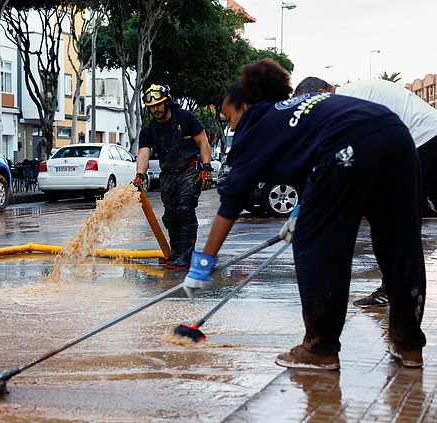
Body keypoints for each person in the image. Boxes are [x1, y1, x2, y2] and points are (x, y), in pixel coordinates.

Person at [183, 59, 426, 370]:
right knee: (399, 244)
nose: (230, 126)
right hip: (395, 135)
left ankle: (320, 349)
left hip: (348, 145)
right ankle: (408, 346)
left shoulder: (256, 124)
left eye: (228, 117)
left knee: (319, 247)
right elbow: (310, 166)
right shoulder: (297, 111)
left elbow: (231, 201)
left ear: (244, 106)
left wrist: (204, 262)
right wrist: (301, 210)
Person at [294, 77, 437, 309]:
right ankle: (395, 288)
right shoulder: (351, 96)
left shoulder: (346, 101)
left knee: (395, 221)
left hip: (424, 141)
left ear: (322, 92)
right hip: (424, 139)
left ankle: (394, 290)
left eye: (312, 105)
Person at [133, 84, 213, 269]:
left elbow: (203, 141)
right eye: (151, 107)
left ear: (167, 101)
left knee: (185, 209)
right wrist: (139, 176)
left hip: (189, 169)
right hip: (168, 175)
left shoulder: (185, 118)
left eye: (159, 104)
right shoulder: (148, 130)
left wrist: (207, 168)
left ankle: (186, 258)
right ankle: (175, 254)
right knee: (170, 216)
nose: (156, 109)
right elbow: (144, 154)